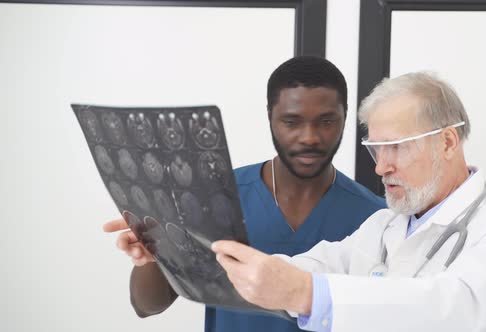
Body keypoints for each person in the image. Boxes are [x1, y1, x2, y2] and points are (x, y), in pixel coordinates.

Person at [211, 72, 486, 332]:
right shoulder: (384, 225)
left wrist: (307, 293)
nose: (380, 166)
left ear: (447, 142)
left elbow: (451, 308)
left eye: (396, 147)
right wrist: (204, 264)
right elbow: (312, 267)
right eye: (376, 148)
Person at [103, 56, 386, 332]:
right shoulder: (210, 197)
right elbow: (147, 306)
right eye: (291, 121)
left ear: (345, 117)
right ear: (270, 117)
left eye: (325, 121)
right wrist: (155, 253)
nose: (309, 136)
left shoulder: (378, 217)